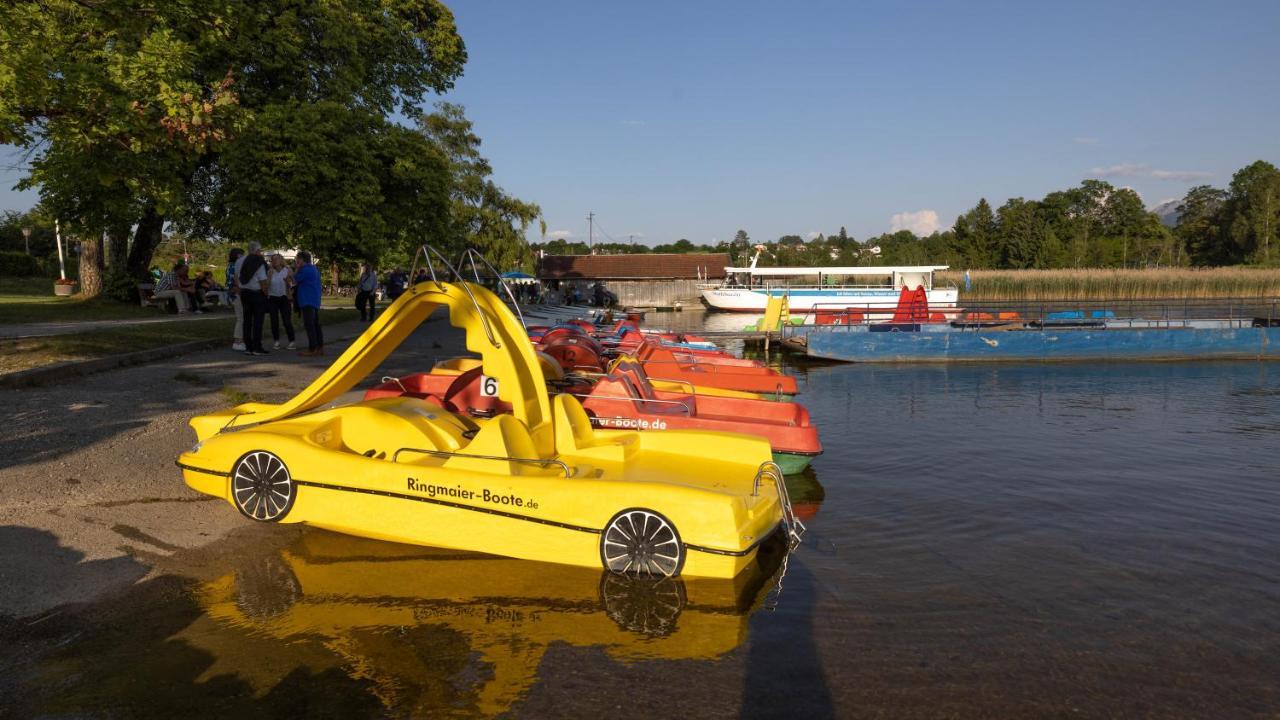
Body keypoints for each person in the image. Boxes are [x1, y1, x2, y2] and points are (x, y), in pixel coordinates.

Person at [238, 242, 270, 355]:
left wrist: (240, 290)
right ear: (257, 251)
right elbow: (263, 281)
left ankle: (248, 347)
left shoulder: (240, 261)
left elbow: (237, 278)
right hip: (257, 293)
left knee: (247, 320)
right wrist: (266, 294)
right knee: (258, 320)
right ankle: (257, 347)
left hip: (244, 293)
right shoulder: (258, 262)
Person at [294, 251, 324, 356]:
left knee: (309, 325)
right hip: (313, 300)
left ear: (302, 259)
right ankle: (319, 347)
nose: (296, 261)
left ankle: (313, 348)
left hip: (307, 300)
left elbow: (295, 279)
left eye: (297, 259)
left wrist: (296, 269)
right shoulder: (313, 268)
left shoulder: (305, 270)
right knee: (315, 324)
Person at [266, 253, 297, 350]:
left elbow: (294, 283)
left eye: (276, 259)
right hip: (272, 298)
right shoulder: (270, 271)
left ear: (281, 260)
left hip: (284, 298)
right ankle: (276, 341)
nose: (274, 261)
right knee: (274, 321)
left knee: (287, 320)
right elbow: (266, 286)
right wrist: (269, 278)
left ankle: (292, 341)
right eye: (273, 260)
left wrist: (289, 283)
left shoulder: (287, 270)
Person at [227, 248, 245, 351]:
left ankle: (240, 340)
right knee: (241, 318)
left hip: (234, 293)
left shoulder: (231, 266)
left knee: (241, 317)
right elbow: (236, 280)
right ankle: (238, 341)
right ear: (238, 256)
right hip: (237, 293)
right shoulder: (235, 266)